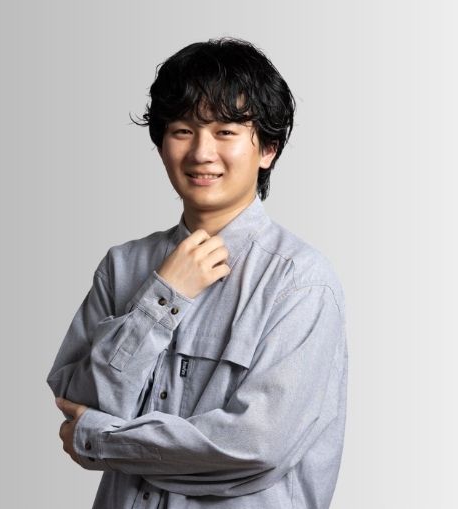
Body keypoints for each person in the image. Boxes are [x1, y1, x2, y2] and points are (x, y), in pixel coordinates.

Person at [47, 37, 348, 508]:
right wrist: (162, 297)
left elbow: (255, 449)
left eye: (225, 131)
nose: (201, 152)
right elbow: (78, 404)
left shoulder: (300, 282)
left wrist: (103, 440)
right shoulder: (122, 266)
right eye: (183, 130)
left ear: (268, 149)